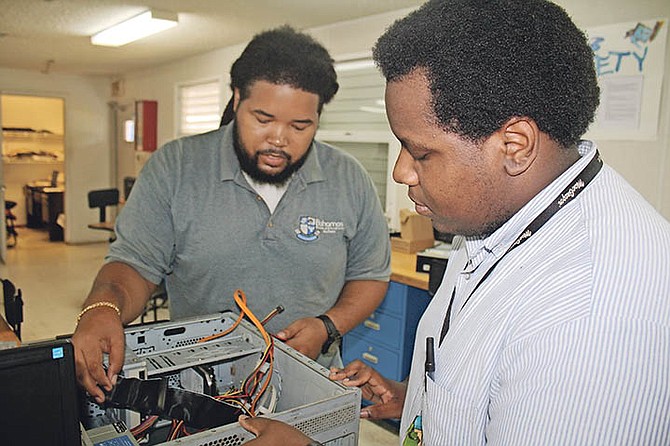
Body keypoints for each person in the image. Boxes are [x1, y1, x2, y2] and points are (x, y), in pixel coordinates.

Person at [239, 0, 670, 444]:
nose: (401, 172)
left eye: (421, 153)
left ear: (515, 145)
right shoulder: (499, 218)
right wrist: (420, 402)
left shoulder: (590, 317)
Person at [72, 25, 391, 404]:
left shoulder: (349, 178)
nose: (278, 138)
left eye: (300, 126)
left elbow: (370, 275)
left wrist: (328, 326)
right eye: (263, 118)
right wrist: (103, 307)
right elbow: (132, 266)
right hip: (199, 394)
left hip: (313, 389)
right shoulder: (176, 168)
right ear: (237, 98)